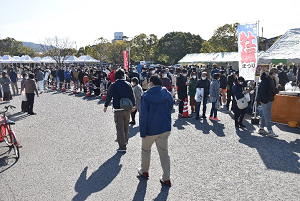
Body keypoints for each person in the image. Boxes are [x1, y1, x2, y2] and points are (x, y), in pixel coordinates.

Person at [138, 74, 173, 186]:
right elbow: (171, 107)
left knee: (146, 151)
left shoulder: (146, 96)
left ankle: (144, 171)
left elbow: (143, 116)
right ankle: (166, 177)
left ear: (151, 83)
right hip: (164, 128)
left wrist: (142, 131)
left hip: (150, 130)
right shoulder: (167, 93)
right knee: (164, 153)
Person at [104, 68, 136, 152]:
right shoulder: (128, 84)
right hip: (127, 108)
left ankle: (122, 146)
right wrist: (134, 106)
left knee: (119, 128)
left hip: (118, 108)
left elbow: (109, 96)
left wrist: (106, 106)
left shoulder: (113, 85)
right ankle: (125, 141)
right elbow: (132, 96)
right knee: (126, 126)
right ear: (123, 75)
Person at [256, 68, 279, 138]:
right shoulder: (266, 80)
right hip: (266, 100)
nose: (277, 74)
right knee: (268, 116)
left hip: (269, 99)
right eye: (276, 73)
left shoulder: (272, 80)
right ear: (273, 73)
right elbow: (262, 92)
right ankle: (270, 131)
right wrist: (265, 101)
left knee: (264, 114)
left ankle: (261, 128)